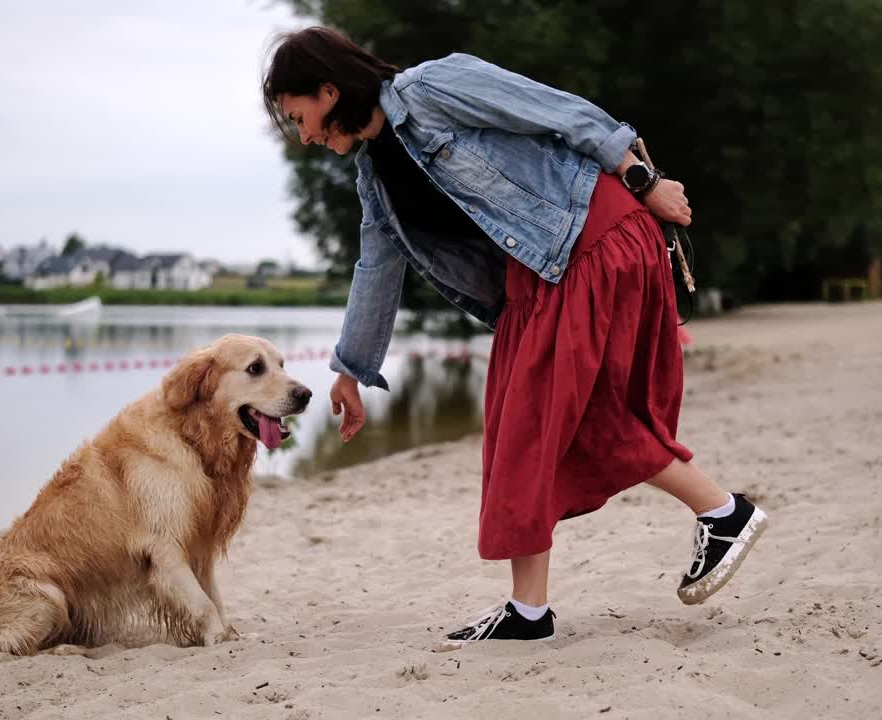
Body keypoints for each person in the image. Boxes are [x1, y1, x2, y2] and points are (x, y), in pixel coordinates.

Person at [262, 27, 769, 647]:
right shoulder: (374, 179)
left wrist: (644, 181)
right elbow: (376, 269)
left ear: (328, 89)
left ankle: (722, 511)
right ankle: (529, 611)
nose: (307, 135)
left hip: (589, 237)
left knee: (567, 417)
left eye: (301, 116)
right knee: (517, 426)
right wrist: (350, 370)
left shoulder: (432, 87)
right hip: (537, 277)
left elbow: (556, 112)